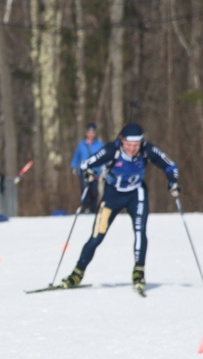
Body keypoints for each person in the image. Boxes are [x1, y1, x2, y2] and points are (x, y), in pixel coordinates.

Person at [60, 123, 179, 292]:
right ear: (122, 140)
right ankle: (77, 273)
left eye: (136, 145)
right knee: (96, 237)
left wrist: (173, 181)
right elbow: (83, 165)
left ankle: (139, 271)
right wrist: (86, 173)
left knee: (140, 231)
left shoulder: (147, 150)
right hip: (112, 196)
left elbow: (170, 165)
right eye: (129, 145)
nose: (132, 149)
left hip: (136, 195)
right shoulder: (111, 150)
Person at [71, 122, 105, 212]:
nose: (91, 134)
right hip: (84, 171)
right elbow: (76, 156)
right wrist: (74, 166)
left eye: (92, 132)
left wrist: (104, 167)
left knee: (94, 191)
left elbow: (104, 157)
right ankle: (85, 208)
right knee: (84, 189)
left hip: (95, 171)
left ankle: (93, 209)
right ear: (86, 133)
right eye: (89, 132)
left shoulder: (100, 145)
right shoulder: (81, 145)